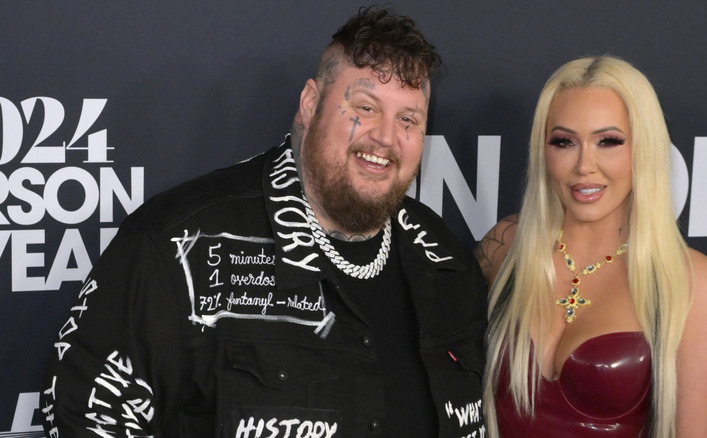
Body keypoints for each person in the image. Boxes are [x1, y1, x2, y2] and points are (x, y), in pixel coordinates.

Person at [41, 6, 487, 437]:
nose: (386, 137)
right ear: (310, 104)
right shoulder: (178, 245)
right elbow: (84, 418)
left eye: (408, 119)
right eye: (366, 108)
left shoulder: (447, 262)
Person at [475, 56, 707, 437]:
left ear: (643, 148)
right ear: (543, 151)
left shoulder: (690, 281)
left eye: (608, 141)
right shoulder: (505, 249)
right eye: (564, 142)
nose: (584, 166)